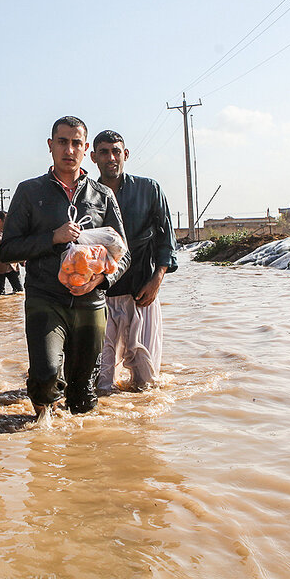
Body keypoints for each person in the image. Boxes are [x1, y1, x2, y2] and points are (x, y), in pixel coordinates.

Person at [0, 116, 130, 418]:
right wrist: (52, 238)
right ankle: (43, 430)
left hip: (91, 301)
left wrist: (102, 282)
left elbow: (124, 253)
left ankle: (77, 452)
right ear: (50, 146)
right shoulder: (30, 192)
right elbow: (7, 249)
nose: (68, 150)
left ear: (85, 149)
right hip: (45, 298)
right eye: (62, 142)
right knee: (45, 376)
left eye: (75, 144)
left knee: (83, 394)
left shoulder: (102, 195)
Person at [90, 129, 177, 393]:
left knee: (147, 383)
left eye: (116, 151)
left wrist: (157, 279)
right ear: (93, 157)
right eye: (104, 152)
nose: (111, 157)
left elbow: (166, 237)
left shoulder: (148, 189)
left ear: (125, 154)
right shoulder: (87, 196)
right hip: (101, 294)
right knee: (100, 383)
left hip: (142, 292)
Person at [0, 211, 24, 295]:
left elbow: (16, 248)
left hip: (13, 266)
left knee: (19, 292)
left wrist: (22, 261)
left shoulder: (12, 232)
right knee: (0, 294)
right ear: (0, 221)